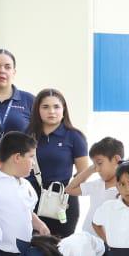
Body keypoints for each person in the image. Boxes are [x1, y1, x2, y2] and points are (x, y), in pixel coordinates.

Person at [24, 88, 90, 236]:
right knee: (34, 249)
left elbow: (83, 174)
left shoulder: (75, 136)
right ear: (37, 110)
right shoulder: (27, 135)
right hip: (31, 201)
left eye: (56, 107)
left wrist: (68, 190)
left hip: (63, 204)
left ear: (64, 109)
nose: (51, 111)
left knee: (61, 250)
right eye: (45, 107)